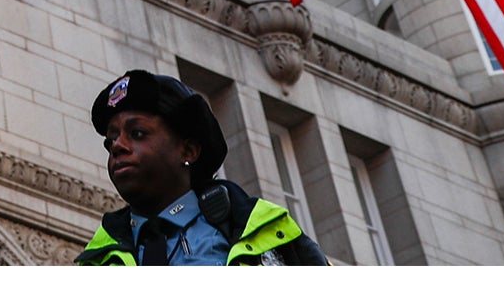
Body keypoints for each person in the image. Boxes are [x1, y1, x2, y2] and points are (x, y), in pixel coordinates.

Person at [76, 68, 326, 266]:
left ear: (188, 151)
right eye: (111, 141)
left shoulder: (268, 233)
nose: (118, 146)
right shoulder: (97, 262)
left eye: (138, 133)